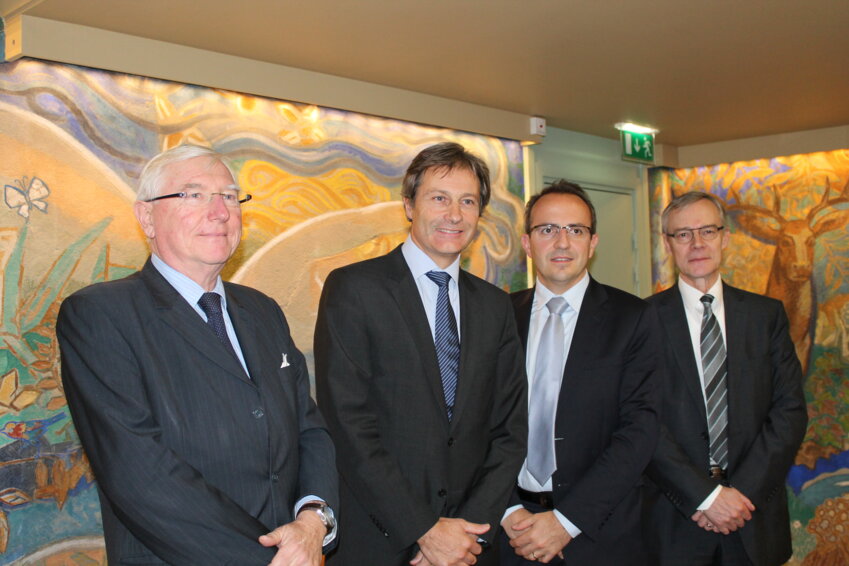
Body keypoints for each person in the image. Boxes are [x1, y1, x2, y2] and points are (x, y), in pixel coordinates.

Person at [56, 145, 338, 566]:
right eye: (193, 195)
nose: (220, 212)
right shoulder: (101, 315)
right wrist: (271, 559)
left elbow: (309, 430)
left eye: (229, 196)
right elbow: (139, 472)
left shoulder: (262, 310)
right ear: (146, 217)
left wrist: (314, 522)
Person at [314, 142, 527, 566]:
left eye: (468, 201)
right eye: (439, 198)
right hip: (380, 539)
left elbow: (509, 430)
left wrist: (467, 533)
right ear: (409, 205)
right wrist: (424, 531)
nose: (455, 214)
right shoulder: (354, 289)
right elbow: (348, 425)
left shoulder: (495, 305)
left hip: (469, 546)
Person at [643, 191, 808, 566]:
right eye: (683, 234)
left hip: (753, 516)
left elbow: (789, 412)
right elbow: (642, 421)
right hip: (674, 521)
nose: (697, 243)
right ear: (667, 244)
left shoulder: (766, 316)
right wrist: (705, 497)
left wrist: (738, 495)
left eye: (707, 231)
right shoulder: (640, 320)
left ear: (725, 238)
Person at [501, 180, 661, 565]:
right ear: (527, 243)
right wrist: (509, 510)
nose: (562, 242)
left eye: (576, 230)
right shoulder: (498, 316)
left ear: (592, 243)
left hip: (599, 532)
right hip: (511, 532)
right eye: (547, 229)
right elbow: (476, 422)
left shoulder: (633, 318)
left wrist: (567, 521)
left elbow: (640, 430)